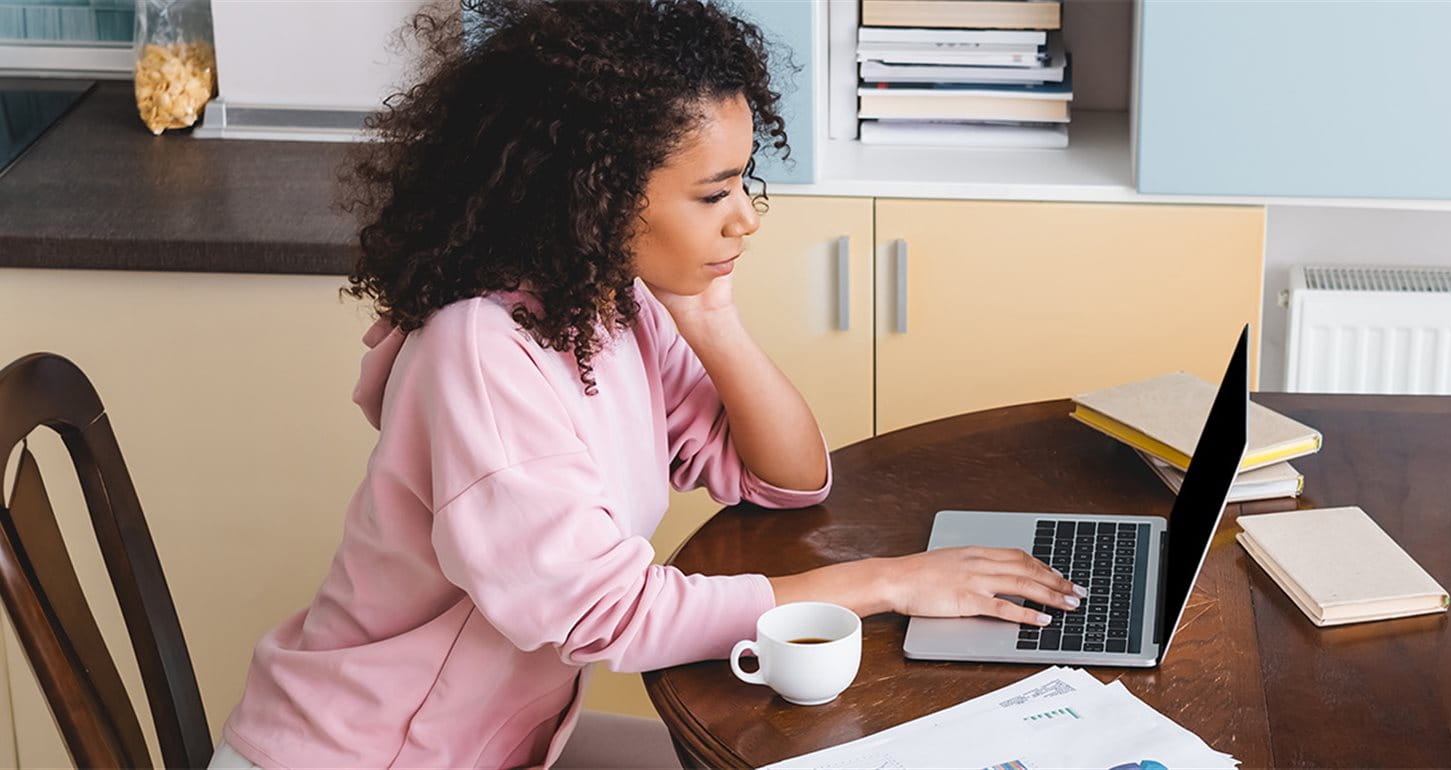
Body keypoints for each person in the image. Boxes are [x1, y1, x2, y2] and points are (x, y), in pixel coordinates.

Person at [209, 1, 1085, 767]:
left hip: (496, 744)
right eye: (714, 194)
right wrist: (891, 581)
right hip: (374, 755)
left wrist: (712, 319)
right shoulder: (480, 351)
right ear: (595, 196)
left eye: (745, 182)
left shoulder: (604, 305)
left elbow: (784, 479)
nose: (746, 216)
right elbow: (609, 613)